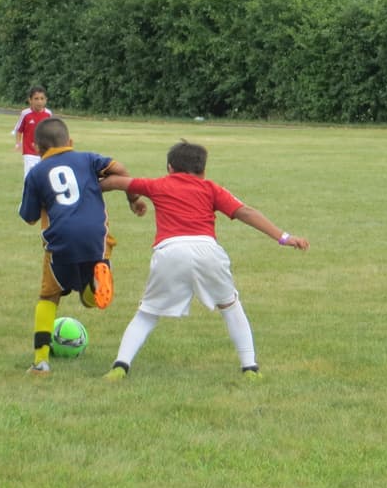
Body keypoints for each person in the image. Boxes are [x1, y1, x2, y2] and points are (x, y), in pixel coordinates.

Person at [98, 140, 309, 381]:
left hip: (170, 251)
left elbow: (116, 182)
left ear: (169, 168)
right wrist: (284, 237)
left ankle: (120, 365)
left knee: (147, 313)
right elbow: (246, 213)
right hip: (207, 250)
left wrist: (90, 189)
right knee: (230, 306)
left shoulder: (157, 185)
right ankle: (250, 367)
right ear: (203, 170)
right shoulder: (211, 188)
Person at [19, 117, 142, 375]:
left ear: (37, 147)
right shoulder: (88, 159)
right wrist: (131, 200)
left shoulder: (36, 173)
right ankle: (95, 283)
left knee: (48, 297)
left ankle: (41, 361)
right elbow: (121, 170)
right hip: (96, 237)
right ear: (70, 142)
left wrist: (46, 201)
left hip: (60, 240)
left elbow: (29, 217)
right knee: (90, 301)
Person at [12, 85, 53, 177]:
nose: (39, 101)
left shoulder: (48, 114)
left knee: (44, 176)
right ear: (30, 100)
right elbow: (19, 130)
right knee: (30, 176)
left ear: (46, 100)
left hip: (45, 152)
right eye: (36, 99)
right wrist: (18, 143)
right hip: (29, 152)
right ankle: (27, 191)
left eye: (42, 98)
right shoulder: (25, 114)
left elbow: (51, 131)